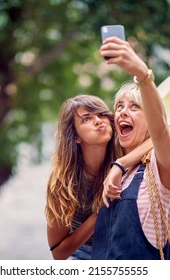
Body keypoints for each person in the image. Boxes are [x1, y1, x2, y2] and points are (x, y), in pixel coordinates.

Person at [91, 36, 170, 260]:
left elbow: (161, 133)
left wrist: (143, 76)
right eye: (119, 106)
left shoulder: (160, 164)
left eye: (135, 106)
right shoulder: (114, 173)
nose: (122, 112)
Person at [45, 94, 154, 260]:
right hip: (84, 255)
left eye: (101, 114)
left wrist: (120, 165)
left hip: (125, 250)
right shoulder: (63, 181)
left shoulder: (124, 149)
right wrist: (99, 213)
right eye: (87, 119)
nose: (98, 120)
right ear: (75, 137)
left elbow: (167, 138)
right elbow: (58, 252)